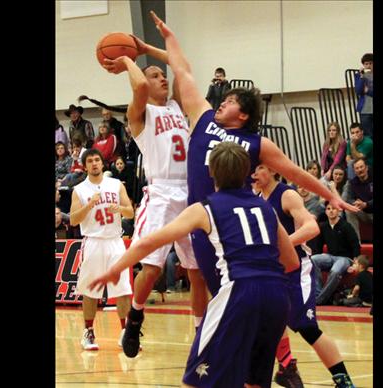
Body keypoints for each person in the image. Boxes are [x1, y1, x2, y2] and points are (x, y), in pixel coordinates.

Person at [150, 11, 358, 296]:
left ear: (244, 115)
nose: (222, 103)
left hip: (233, 225)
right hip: (201, 221)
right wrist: (169, 38)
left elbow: (294, 172)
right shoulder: (203, 117)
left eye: (231, 101)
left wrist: (331, 195)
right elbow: (183, 71)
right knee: (214, 292)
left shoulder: (258, 144)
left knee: (238, 294)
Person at [89, 142, 300, 388]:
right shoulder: (265, 207)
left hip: (240, 291)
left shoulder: (204, 208)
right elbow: (291, 261)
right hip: (277, 296)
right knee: (254, 382)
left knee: (195, 381)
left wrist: (115, 268)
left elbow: (150, 242)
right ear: (247, 172)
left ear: (210, 172)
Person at [98, 34, 209, 357]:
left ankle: (202, 334)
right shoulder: (140, 112)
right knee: (153, 268)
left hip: (189, 193)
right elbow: (140, 88)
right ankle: (134, 317)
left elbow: (179, 63)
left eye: (162, 76)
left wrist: (146, 49)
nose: (162, 78)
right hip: (160, 192)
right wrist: (129, 61)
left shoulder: (177, 105)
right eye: (155, 75)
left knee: (196, 271)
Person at [253, 164, 356, 388]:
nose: (253, 173)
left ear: (272, 170)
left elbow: (312, 227)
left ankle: (343, 381)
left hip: (296, 270)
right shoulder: (256, 197)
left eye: (259, 168)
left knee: (308, 328)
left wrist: (282, 245)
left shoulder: (286, 194)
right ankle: (287, 366)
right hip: (272, 272)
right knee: (270, 319)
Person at [70, 148, 134, 351]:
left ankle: (124, 332)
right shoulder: (79, 189)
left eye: (97, 159)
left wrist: (121, 209)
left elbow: (131, 212)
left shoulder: (115, 184)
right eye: (90, 161)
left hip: (115, 241)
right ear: (85, 165)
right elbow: (72, 220)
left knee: (123, 288)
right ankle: (88, 332)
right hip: (93, 241)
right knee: (91, 290)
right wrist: (89, 206)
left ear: (102, 163)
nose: (95, 163)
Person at [311, 202, 360, 305]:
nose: (331, 211)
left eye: (333, 208)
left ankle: (319, 300)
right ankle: (319, 295)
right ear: (326, 212)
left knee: (335, 270)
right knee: (313, 260)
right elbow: (318, 245)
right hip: (330, 256)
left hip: (345, 258)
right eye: (328, 209)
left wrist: (356, 262)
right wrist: (319, 255)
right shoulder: (323, 226)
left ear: (338, 211)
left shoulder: (346, 226)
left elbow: (355, 244)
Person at [344, 158, 373, 243]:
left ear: (366, 168)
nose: (360, 170)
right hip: (363, 213)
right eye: (357, 168)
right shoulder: (352, 183)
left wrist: (366, 204)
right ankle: (356, 244)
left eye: (361, 167)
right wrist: (355, 203)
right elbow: (347, 199)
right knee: (349, 211)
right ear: (354, 171)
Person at [355, 53, 373, 138]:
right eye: (366, 64)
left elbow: (366, 91)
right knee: (368, 135)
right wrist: (362, 77)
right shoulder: (359, 76)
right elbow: (358, 91)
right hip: (365, 109)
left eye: (371, 63)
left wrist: (368, 91)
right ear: (363, 65)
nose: (369, 65)